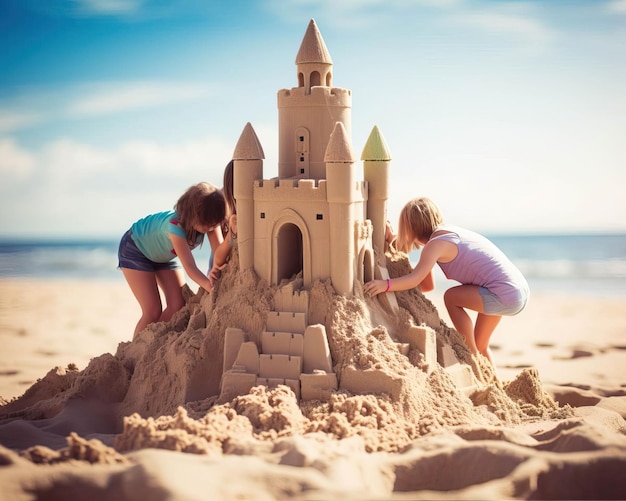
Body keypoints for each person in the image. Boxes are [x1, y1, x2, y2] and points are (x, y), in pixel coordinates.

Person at [364, 196, 529, 367]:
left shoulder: (435, 246)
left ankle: (469, 351)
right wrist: (394, 240)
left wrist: (386, 285)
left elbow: (415, 279)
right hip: (516, 290)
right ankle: (492, 380)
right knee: (482, 345)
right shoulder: (447, 235)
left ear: (410, 227)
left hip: (502, 293)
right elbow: (428, 286)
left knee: (451, 297)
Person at [118, 182, 226, 336]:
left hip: (163, 255)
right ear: (192, 215)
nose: (211, 228)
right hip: (135, 249)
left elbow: (218, 253)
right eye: (207, 224)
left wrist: (216, 270)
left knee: (178, 303)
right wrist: (210, 287)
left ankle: (155, 338)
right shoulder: (175, 227)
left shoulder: (210, 221)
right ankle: (135, 349)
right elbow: (190, 267)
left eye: (214, 224)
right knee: (152, 310)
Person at [208, 160, 237, 282]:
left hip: (227, 242)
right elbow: (217, 257)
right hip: (223, 244)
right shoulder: (221, 202)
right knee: (213, 270)